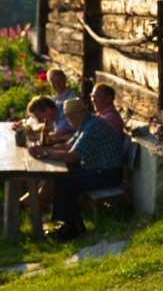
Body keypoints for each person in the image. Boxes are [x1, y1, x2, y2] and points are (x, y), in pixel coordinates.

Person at [28, 98, 123, 242]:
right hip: (100, 169)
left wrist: (45, 153)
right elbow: (68, 146)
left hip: (108, 173)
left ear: (73, 116)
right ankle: (70, 224)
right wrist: (43, 149)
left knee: (63, 182)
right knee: (59, 179)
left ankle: (72, 227)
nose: (69, 122)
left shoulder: (92, 127)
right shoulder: (88, 123)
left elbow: (72, 157)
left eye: (69, 118)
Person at [47, 68, 79, 140]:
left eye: (59, 81)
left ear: (64, 80)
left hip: (69, 136)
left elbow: (64, 129)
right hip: (57, 134)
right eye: (53, 82)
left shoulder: (72, 97)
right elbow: (49, 123)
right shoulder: (53, 99)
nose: (57, 84)